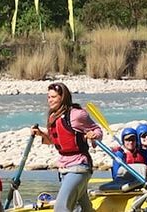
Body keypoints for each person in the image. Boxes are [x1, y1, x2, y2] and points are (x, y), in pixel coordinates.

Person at [30, 82, 102, 212]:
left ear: (63, 97)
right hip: (64, 168)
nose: (50, 100)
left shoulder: (77, 114)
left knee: (60, 207)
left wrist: (94, 135)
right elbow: (56, 140)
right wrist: (40, 133)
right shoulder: (53, 116)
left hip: (79, 166)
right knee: (84, 207)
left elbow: (97, 130)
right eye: (48, 97)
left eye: (53, 97)